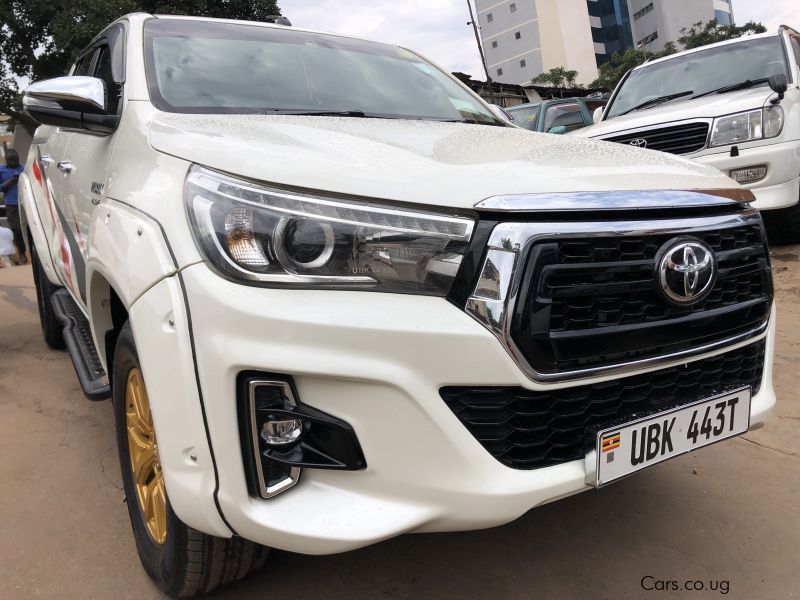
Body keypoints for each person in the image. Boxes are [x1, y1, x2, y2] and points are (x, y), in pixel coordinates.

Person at [0, 148, 26, 264]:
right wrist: (11, 181)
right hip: (11, 204)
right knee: (16, 230)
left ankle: (28, 251)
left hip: (24, 203)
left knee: (26, 228)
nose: (14, 162)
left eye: (16, 160)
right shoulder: (1, 170)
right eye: (11, 160)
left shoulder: (23, 168)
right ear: (6, 160)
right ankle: (21, 252)